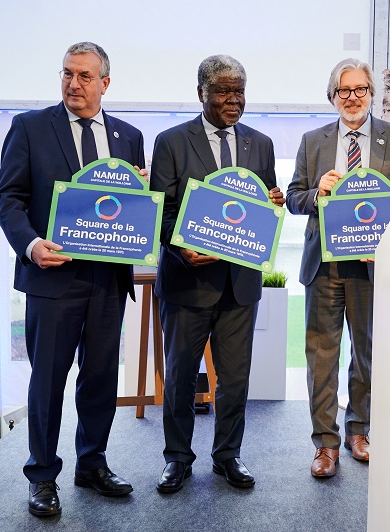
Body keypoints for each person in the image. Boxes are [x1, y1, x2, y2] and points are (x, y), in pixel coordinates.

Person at [0, 42, 144, 517]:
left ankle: (91, 464)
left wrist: (139, 192)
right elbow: (8, 199)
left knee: (99, 379)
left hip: (107, 281)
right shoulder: (30, 128)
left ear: (105, 83)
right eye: (67, 74)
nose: (73, 84)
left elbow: (133, 207)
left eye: (84, 76)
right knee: (48, 382)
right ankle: (41, 474)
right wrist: (31, 245)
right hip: (52, 279)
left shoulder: (128, 136)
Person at [150, 54, 285, 493]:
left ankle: (228, 455)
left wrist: (273, 204)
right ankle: (177, 459)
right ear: (201, 94)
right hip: (187, 283)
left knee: (235, 379)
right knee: (181, 377)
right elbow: (162, 211)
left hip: (239, 285)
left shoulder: (260, 144)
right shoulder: (170, 141)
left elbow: (261, 203)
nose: (233, 100)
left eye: (239, 91)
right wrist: (180, 245)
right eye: (223, 91)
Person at [285, 58, 390, 478]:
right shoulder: (313, 141)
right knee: (321, 357)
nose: (352, 97)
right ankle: (325, 444)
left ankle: (358, 430)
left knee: (367, 355)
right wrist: (315, 194)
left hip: (372, 267)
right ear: (333, 97)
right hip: (323, 265)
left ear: (372, 94)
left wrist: (386, 240)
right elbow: (292, 197)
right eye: (344, 91)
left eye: (360, 89)